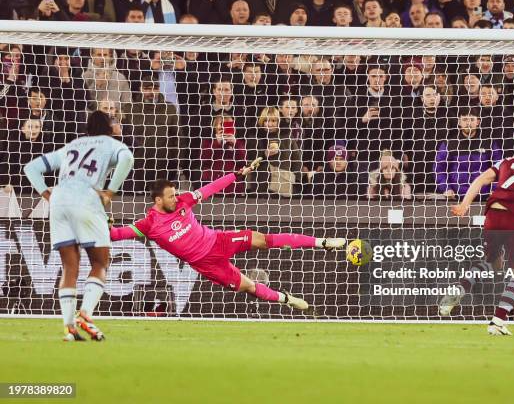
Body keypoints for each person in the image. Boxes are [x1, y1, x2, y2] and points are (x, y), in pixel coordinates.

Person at [109, 159, 346, 313]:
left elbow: (210, 188)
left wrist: (236, 175)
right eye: (171, 196)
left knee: (263, 239)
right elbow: (119, 234)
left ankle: (322, 243)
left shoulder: (184, 201)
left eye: (175, 194)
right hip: (205, 263)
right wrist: (103, 229)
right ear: (158, 200)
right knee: (249, 286)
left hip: (217, 240)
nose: (176, 197)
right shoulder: (149, 224)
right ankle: (287, 299)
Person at [23, 111, 135, 342]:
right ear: (107, 126)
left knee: (69, 267)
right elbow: (128, 159)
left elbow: (30, 168)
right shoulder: (112, 144)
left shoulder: (72, 145)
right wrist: (110, 191)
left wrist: (47, 194)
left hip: (59, 202)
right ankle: (85, 313)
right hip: (86, 200)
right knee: (101, 262)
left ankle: (69, 327)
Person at [440, 132, 514, 336]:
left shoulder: (506, 160)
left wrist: (464, 205)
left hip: (493, 213)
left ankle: (457, 291)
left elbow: (480, 179)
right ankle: (497, 321)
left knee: (493, 262)